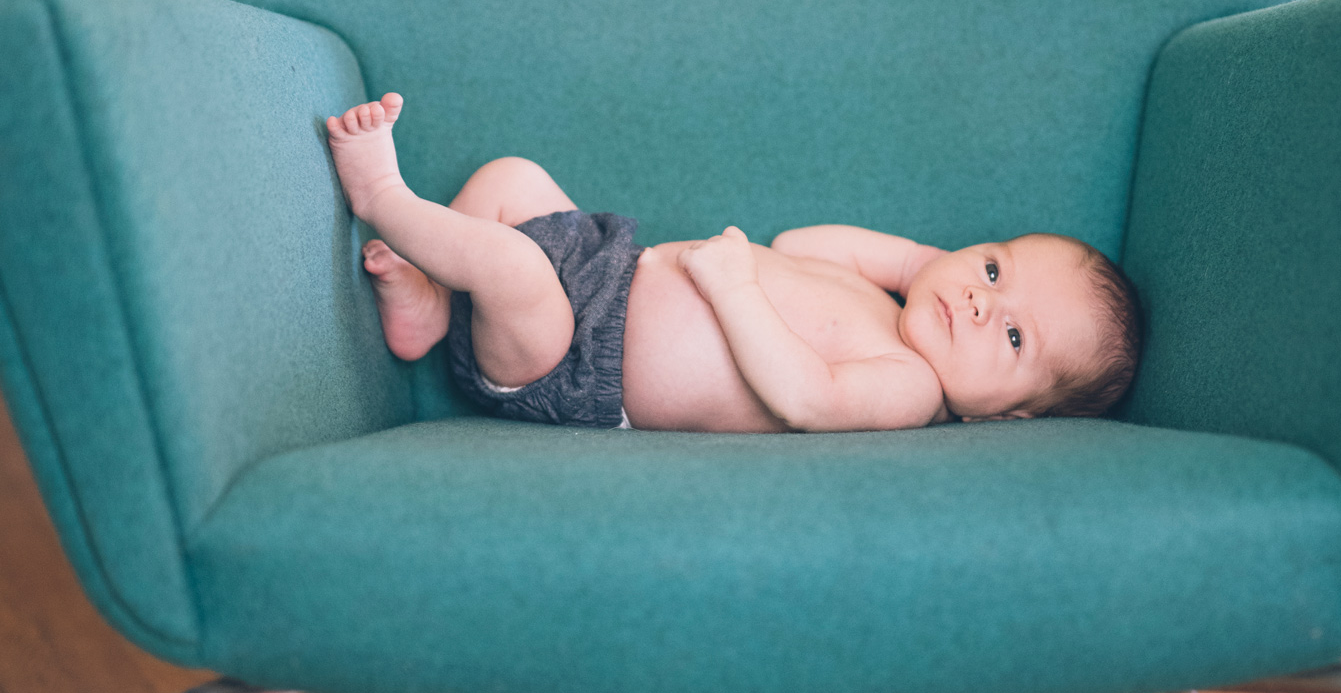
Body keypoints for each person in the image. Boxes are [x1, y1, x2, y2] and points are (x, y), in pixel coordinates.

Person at [326, 94, 1141, 433]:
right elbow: (801, 246)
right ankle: (431, 304)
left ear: (1009, 416)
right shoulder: (876, 296)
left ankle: (385, 196)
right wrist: (928, 262)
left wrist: (736, 286)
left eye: (1012, 340)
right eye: (993, 272)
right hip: (608, 267)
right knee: (513, 179)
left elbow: (806, 399)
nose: (976, 304)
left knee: (514, 272)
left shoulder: (909, 381)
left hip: (575, 366)